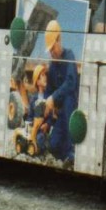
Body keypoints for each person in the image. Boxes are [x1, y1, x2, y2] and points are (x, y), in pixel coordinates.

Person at [41, 20, 79, 164]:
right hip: (60, 115)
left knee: (68, 96)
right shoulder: (52, 66)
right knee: (53, 146)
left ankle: (72, 151)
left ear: (59, 40)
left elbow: (71, 82)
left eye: (53, 48)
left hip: (72, 111)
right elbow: (48, 93)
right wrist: (46, 118)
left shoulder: (69, 55)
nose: (51, 52)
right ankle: (66, 155)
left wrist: (54, 98)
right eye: (49, 50)